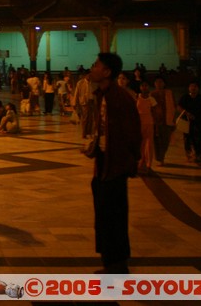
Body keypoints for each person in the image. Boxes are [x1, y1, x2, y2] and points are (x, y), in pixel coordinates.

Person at [88, 53, 141, 274]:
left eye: (96, 65)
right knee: (104, 216)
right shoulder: (103, 96)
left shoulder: (120, 98)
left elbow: (132, 135)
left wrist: (127, 164)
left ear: (107, 72)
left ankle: (117, 265)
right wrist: (96, 146)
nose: (92, 67)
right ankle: (109, 262)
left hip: (115, 167)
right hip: (103, 164)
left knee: (114, 217)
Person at [178, 81, 201, 166]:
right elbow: (179, 107)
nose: (193, 88)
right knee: (187, 139)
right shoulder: (185, 97)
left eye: (195, 86)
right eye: (191, 86)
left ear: (198, 88)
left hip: (199, 122)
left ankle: (198, 156)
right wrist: (187, 113)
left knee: (199, 139)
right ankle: (189, 155)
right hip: (187, 122)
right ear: (189, 88)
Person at [150, 76, 176, 165]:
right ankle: (159, 158)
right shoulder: (152, 94)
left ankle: (162, 157)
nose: (159, 84)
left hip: (167, 121)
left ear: (164, 83)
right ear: (154, 84)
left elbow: (173, 106)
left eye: (161, 82)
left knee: (165, 140)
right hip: (156, 122)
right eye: (157, 82)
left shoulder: (169, 93)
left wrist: (174, 119)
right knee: (157, 141)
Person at [135, 81, 158, 174]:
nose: (144, 87)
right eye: (142, 85)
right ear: (140, 87)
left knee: (149, 144)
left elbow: (156, 112)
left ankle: (148, 163)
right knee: (140, 143)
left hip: (149, 123)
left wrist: (156, 124)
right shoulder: (137, 97)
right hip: (138, 123)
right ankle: (140, 162)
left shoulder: (151, 99)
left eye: (146, 85)